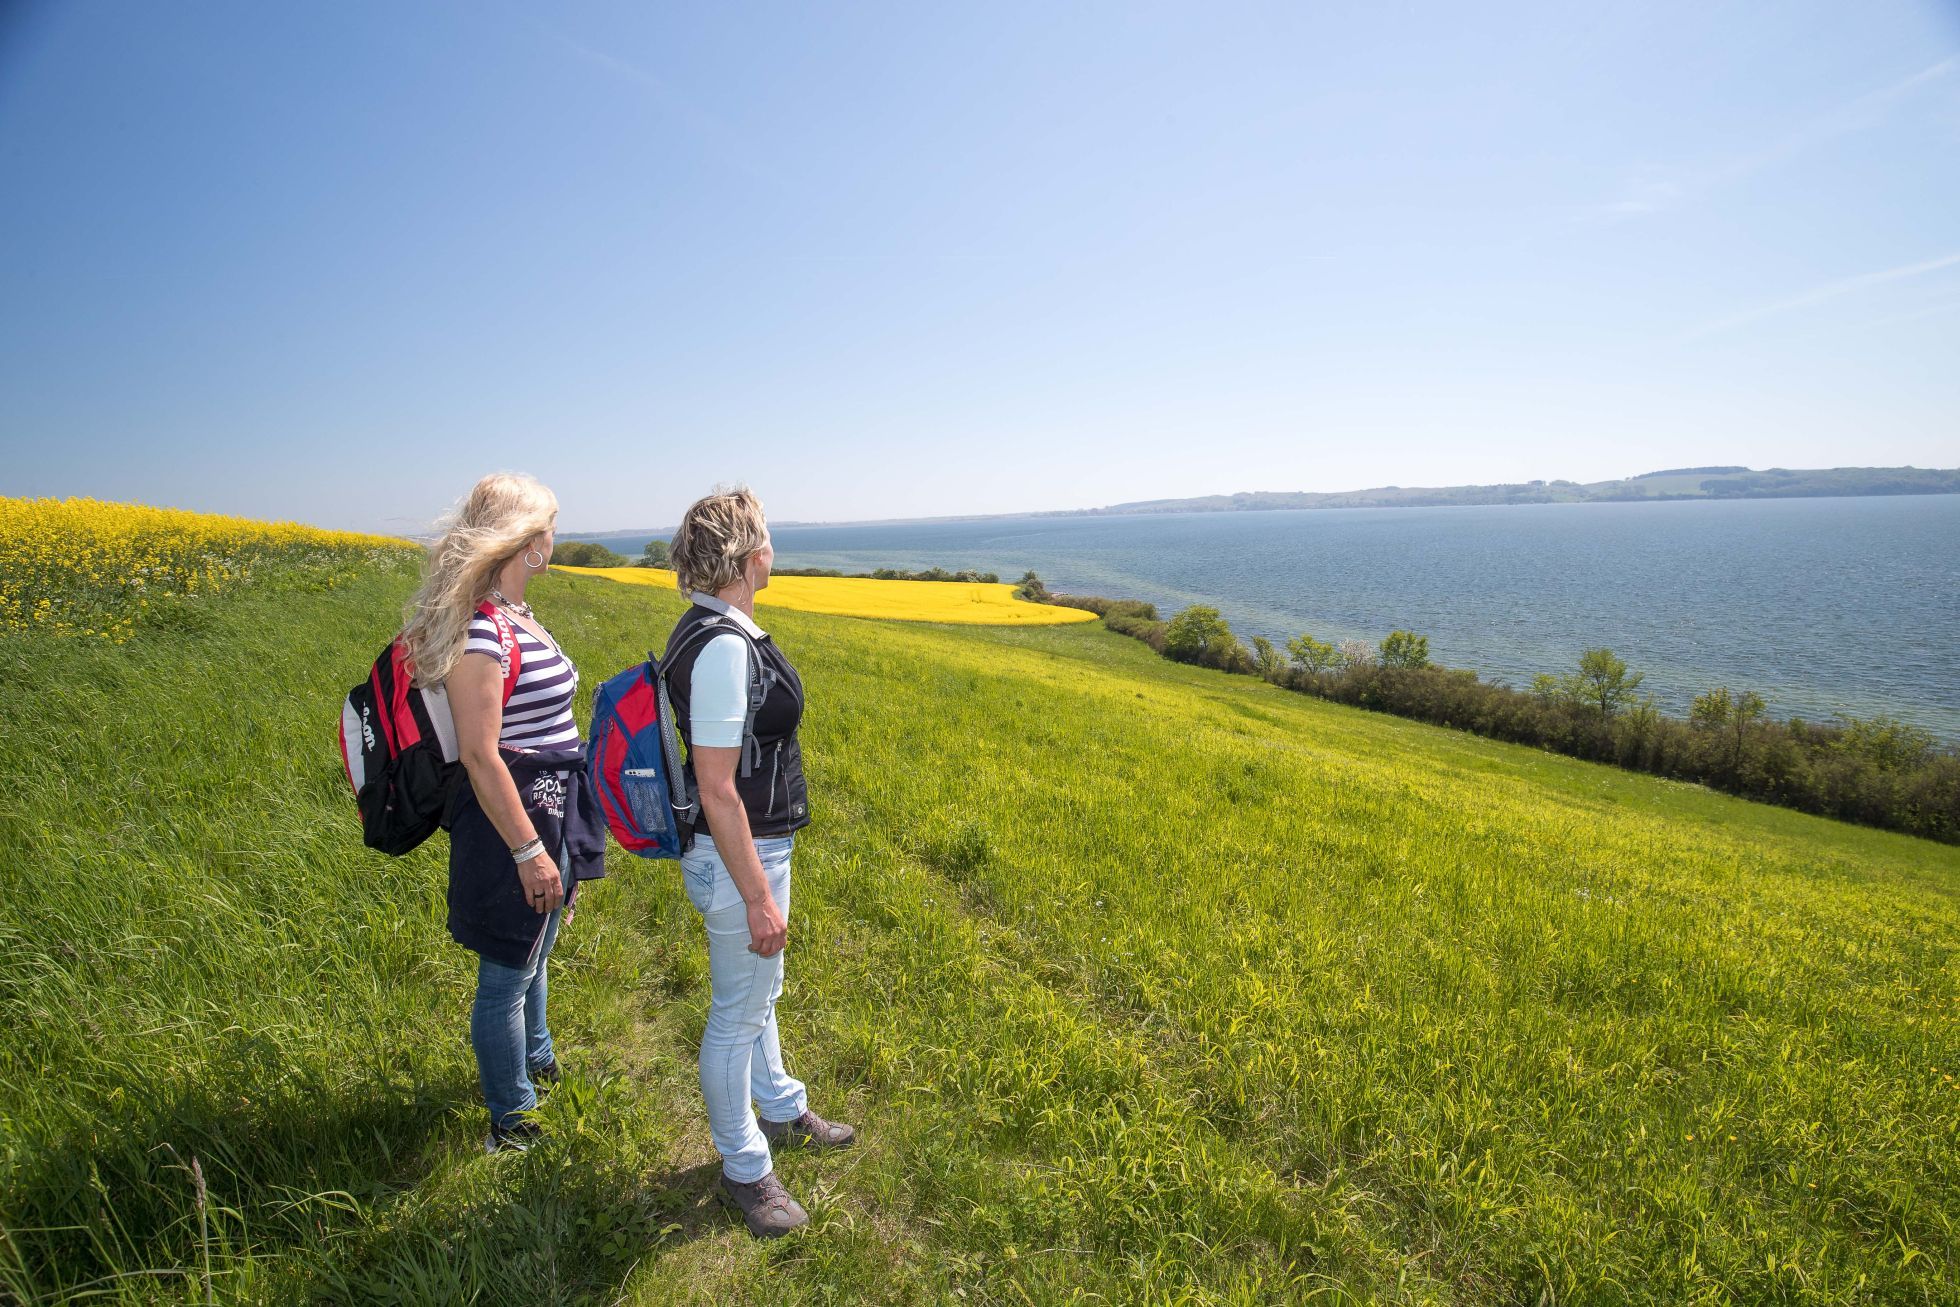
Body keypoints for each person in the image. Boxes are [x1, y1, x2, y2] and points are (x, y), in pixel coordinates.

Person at [663, 486, 855, 1238]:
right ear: (747, 557)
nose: (776, 548)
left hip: (753, 849)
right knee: (737, 1011)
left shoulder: (719, 627)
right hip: (741, 855)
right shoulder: (719, 647)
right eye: (769, 538)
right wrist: (756, 897)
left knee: (759, 995)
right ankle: (745, 1166)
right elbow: (716, 786)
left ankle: (778, 1104)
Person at [401, 472, 607, 1153]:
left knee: (537, 949)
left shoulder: (514, 616)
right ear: (527, 540)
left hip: (546, 809)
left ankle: (538, 1062)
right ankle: (512, 1122)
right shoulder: (484, 631)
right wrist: (529, 851)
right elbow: (482, 754)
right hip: (507, 823)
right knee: (504, 978)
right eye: (549, 524)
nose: (555, 535)